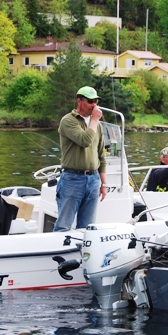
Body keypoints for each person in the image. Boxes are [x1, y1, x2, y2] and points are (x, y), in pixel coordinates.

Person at [53, 86, 108, 232]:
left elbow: (101, 155)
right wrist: (95, 119)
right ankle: (58, 251)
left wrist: (104, 184)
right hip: (72, 178)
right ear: (79, 101)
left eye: (95, 101)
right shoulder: (68, 121)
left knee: (87, 227)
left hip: (93, 179)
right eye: (90, 101)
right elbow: (85, 141)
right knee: (63, 226)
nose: (94, 105)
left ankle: (83, 253)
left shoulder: (98, 125)